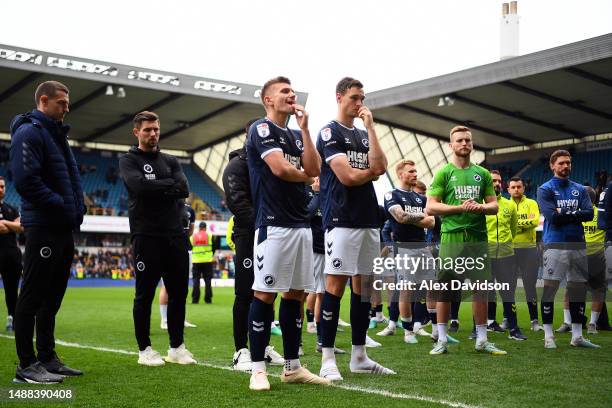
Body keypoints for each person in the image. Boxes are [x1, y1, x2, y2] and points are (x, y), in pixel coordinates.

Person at [245, 76, 328, 391]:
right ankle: (257, 369)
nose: (291, 95)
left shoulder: (295, 134)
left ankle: (293, 367)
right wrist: (306, 177)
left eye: (293, 91)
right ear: (268, 99)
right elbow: (280, 169)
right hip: (273, 224)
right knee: (264, 295)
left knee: (295, 295)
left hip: (301, 227)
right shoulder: (261, 129)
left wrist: (306, 129)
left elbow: (315, 167)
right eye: (284, 91)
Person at [317, 77, 394, 382]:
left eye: (362, 98)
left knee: (364, 288)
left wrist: (372, 128)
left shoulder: (363, 135)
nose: (360, 103)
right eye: (354, 98)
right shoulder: (328, 132)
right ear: (339, 97)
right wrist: (370, 172)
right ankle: (326, 357)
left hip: (367, 220)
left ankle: (359, 356)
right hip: (341, 219)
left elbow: (382, 166)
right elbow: (347, 177)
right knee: (334, 287)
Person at [10, 81, 85, 383]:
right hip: (44, 225)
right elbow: (26, 180)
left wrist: (75, 208)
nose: (67, 108)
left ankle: (47, 357)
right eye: (62, 103)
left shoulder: (56, 135)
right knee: (32, 295)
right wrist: (60, 205)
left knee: (53, 296)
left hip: (62, 226)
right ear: (44, 101)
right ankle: (26, 365)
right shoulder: (29, 132)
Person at [119, 111, 196, 366]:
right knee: (144, 295)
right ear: (136, 132)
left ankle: (177, 347)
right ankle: (145, 350)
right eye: (147, 130)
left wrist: (155, 186)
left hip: (175, 236)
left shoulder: (171, 160)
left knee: (178, 293)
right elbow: (138, 187)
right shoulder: (128, 160)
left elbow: (183, 189)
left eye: (156, 129)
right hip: (146, 236)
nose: (153, 134)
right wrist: (166, 186)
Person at [426, 125, 506, 356]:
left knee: (481, 290)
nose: (464, 144)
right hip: (452, 237)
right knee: (446, 290)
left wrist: (480, 207)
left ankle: (482, 340)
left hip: (478, 238)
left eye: (468, 141)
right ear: (451, 145)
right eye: (459, 140)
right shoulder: (444, 173)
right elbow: (430, 206)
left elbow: (494, 205)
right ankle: (441, 339)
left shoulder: (482, 173)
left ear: (472, 144)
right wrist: (460, 207)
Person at [222, 121, 284, 372]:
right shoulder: (236, 165)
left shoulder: (271, 162)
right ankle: (241, 350)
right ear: (248, 136)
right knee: (245, 293)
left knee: (269, 292)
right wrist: (262, 226)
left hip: (272, 233)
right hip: (249, 234)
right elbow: (238, 204)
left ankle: (264, 346)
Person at [536, 149, 598, 349]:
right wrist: (574, 212)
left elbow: (589, 214)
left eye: (568, 163)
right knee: (550, 290)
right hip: (555, 244)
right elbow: (552, 217)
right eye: (561, 163)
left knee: (578, 290)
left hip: (578, 244)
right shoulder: (544, 189)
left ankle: (577, 337)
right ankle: (548, 336)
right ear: (552, 165)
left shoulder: (580, 189)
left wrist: (564, 211)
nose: (566, 166)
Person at [379, 160, 435, 345]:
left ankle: (436, 330)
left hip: (423, 247)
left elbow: (432, 222)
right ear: (400, 174)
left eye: (415, 170)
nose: (415, 173)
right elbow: (399, 217)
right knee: (406, 290)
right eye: (411, 171)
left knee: (431, 288)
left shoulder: (421, 199)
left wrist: (409, 218)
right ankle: (408, 332)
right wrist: (420, 217)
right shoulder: (391, 195)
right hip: (404, 248)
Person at [484, 170, 526, 340]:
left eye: (498, 181)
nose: (496, 184)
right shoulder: (481, 204)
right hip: (485, 255)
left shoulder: (509, 205)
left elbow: (513, 229)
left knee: (507, 293)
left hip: (507, 256)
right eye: (493, 181)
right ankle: (478, 327)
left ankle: (514, 329)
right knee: (483, 292)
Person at [508, 176, 542, 332]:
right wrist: (522, 225)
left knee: (530, 286)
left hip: (529, 250)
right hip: (509, 250)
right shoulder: (505, 206)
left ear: (523, 188)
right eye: (513, 187)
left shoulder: (532, 203)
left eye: (518, 187)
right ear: (508, 189)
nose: (516, 189)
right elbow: (504, 225)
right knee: (509, 287)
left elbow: (534, 222)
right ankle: (507, 319)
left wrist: (515, 225)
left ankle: (534, 320)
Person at [160, 200, 197, 329]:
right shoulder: (166, 205)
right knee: (166, 285)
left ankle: (180, 319)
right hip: (169, 248)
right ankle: (164, 320)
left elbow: (191, 230)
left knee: (183, 285)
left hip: (186, 248)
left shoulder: (190, 210)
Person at [0, 176, 24, 332]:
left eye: (2, 186)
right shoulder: (12, 212)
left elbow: (21, 227)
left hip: (11, 255)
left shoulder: (11, 208)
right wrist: (12, 225)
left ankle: (12, 318)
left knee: (12, 289)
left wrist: (5, 223)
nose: (0, 189)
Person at [191, 222, 216, 304]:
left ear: (199, 227)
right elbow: (214, 247)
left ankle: (195, 299)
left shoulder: (193, 236)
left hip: (196, 261)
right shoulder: (210, 235)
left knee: (196, 280)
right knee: (208, 281)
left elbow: (190, 246)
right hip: (207, 261)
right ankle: (208, 299)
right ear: (205, 227)